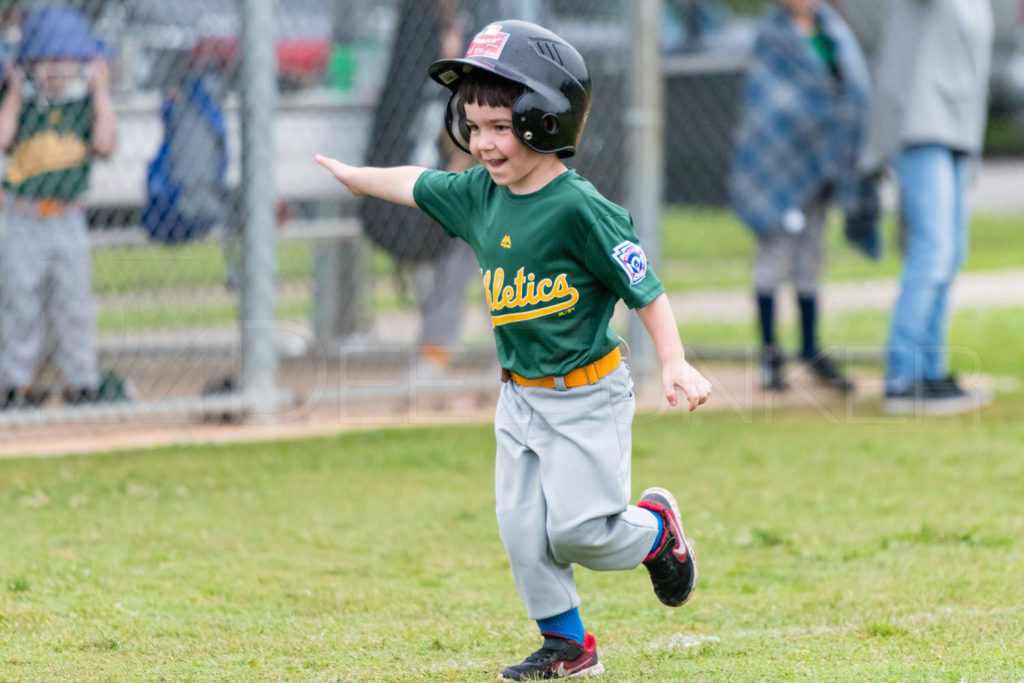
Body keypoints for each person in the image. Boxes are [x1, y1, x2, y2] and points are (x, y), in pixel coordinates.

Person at [316, 20, 712, 680]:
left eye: (501, 125)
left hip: (587, 394)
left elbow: (642, 284)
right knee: (523, 529)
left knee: (580, 531)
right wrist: (358, 177)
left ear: (546, 119)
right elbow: (416, 183)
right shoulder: (479, 195)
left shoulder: (580, 208)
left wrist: (673, 359)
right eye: (472, 126)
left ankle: (656, 532)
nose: (483, 142)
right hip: (519, 396)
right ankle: (570, 646)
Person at [730, 0, 879, 395]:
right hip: (780, 166)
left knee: (811, 258)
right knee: (775, 257)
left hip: (825, 169)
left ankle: (811, 352)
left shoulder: (834, 31)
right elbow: (769, 106)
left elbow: (853, 92)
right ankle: (769, 355)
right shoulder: (772, 36)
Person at [860, 0, 994, 415]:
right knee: (932, 251)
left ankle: (929, 372)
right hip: (922, 124)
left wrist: (971, 152)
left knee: (951, 254)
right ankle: (903, 379)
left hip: (958, 133)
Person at [0, 6, 115, 409]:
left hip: (68, 218)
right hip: (24, 217)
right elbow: (3, 139)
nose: (54, 71)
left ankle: (81, 383)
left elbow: (104, 145)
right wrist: (15, 93)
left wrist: (101, 91)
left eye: (64, 63)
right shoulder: (22, 107)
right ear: (28, 66)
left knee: (74, 305)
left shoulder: (83, 107)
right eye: (45, 62)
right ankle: (16, 385)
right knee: (19, 303)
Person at [359, 0, 480, 375]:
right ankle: (435, 347)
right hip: (410, 182)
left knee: (474, 234)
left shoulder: (479, 26)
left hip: (458, 177)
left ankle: (436, 348)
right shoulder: (411, 32)